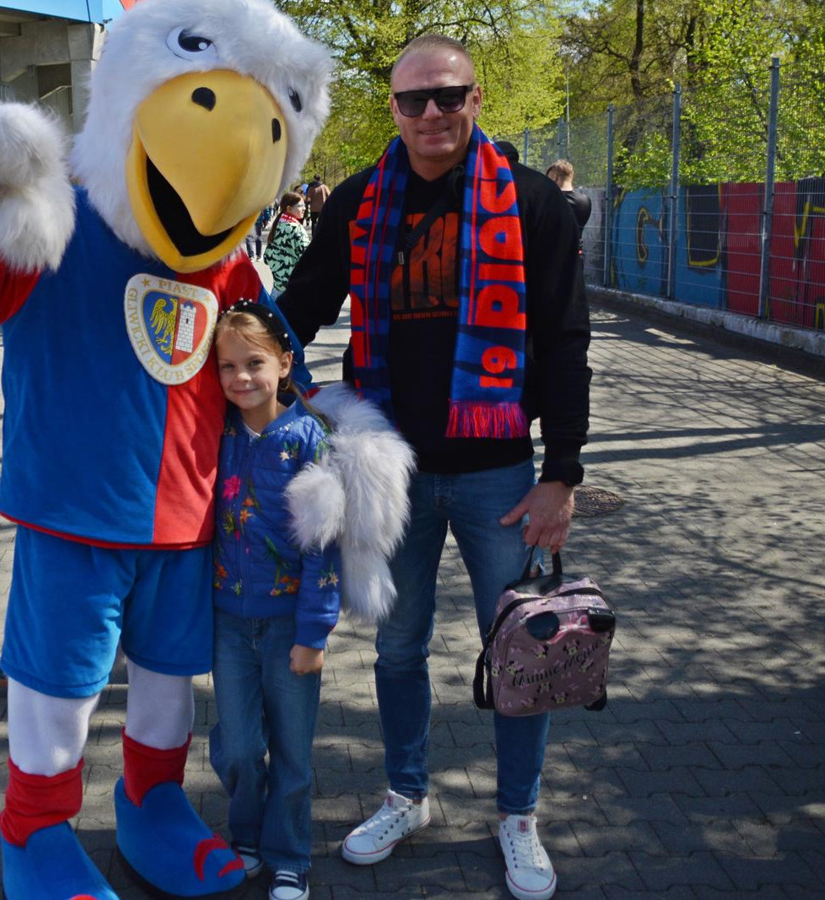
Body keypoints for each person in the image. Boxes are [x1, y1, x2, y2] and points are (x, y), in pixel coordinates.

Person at [276, 33, 591, 900]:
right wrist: (256, 359)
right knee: (397, 647)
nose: (432, 113)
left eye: (448, 95)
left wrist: (562, 473)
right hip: (392, 469)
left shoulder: (532, 203)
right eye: (414, 99)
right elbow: (303, 305)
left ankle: (518, 816)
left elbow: (566, 339)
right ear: (393, 108)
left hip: (500, 475)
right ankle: (406, 794)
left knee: (522, 650)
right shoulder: (357, 201)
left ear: (476, 99)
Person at [208, 303, 341, 900]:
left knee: (291, 751)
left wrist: (314, 635)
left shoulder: (310, 440)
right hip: (228, 625)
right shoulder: (215, 433)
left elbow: (324, 548)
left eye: (254, 363)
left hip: (289, 626)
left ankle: (289, 856)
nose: (241, 377)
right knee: (238, 746)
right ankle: (247, 838)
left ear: (285, 363)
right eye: (227, 365)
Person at [263, 192, 309, 297]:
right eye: (300, 206)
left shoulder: (278, 224)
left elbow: (267, 256)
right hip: (294, 289)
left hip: (277, 287)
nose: (304, 208)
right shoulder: (296, 229)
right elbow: (307, 258)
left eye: (304, 205)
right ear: (289, 209)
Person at [546, 159, 592, 243]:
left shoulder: (549, 200)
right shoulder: (585, 201)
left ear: (555, 178)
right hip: (576, 248)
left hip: (552, 248)